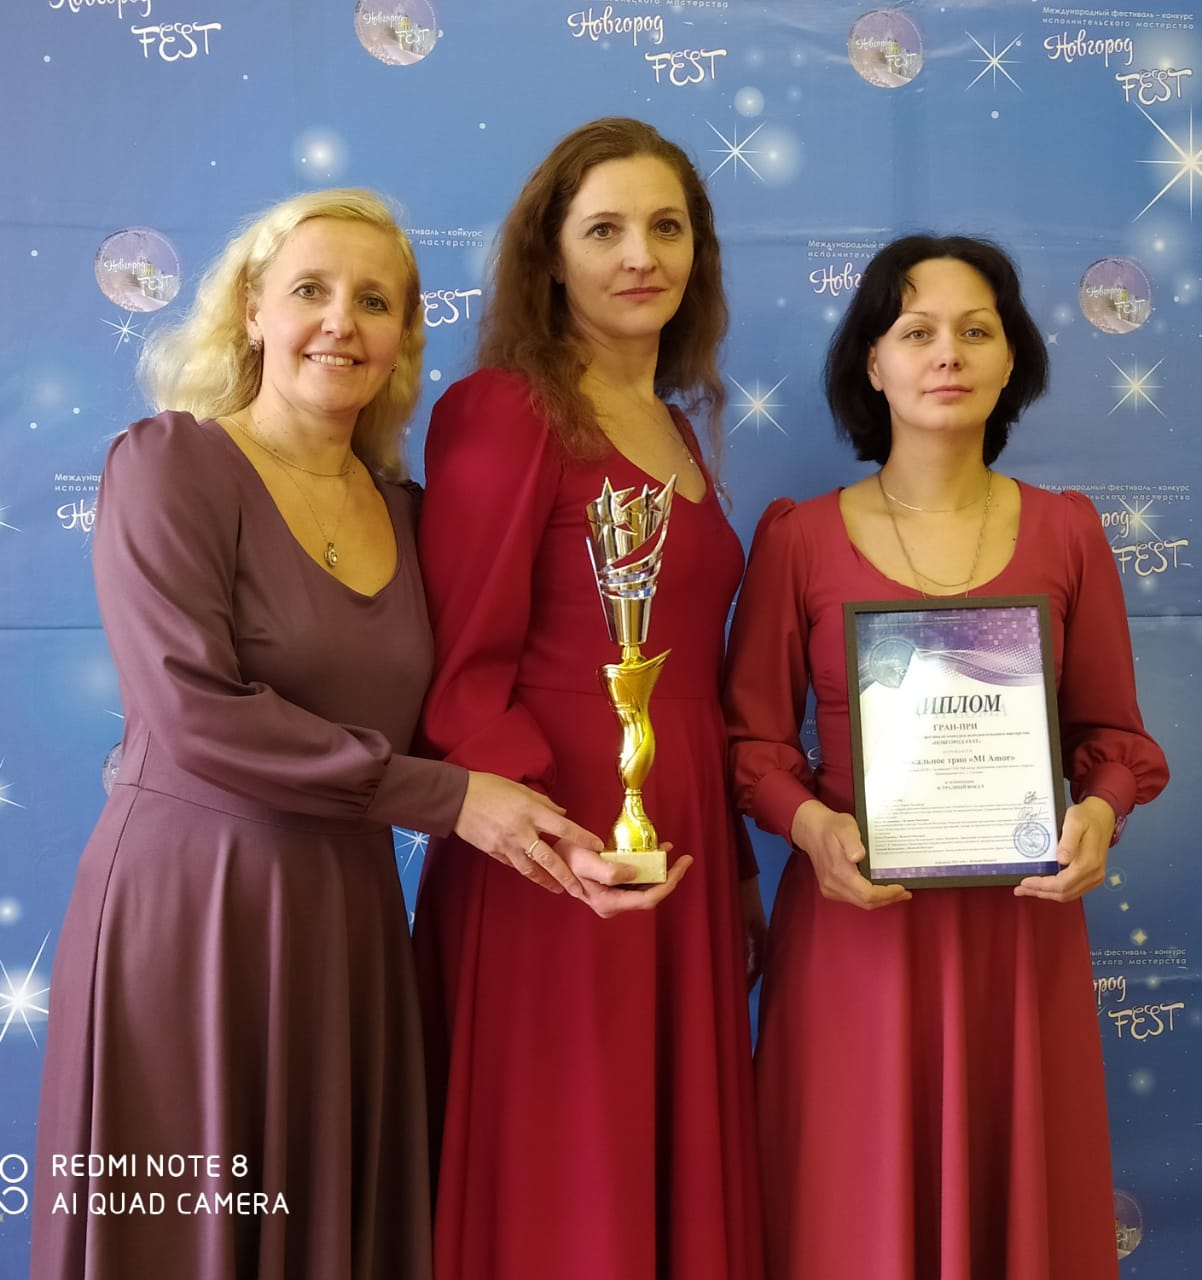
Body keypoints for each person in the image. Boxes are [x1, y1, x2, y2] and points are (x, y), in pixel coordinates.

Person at [30, 188, 600, 1280]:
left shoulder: (409, 512)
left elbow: (487, 684)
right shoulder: (169, 463)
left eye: (374, 301)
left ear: (404, 339)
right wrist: (450, 800)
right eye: (310, 290)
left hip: (346, 923)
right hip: (191, 916)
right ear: (253, 311)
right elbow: (194, 713)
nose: (341, 321)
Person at [723, 233, 1170, 1280]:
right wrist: (809, 824)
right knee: (849, 1218)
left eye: (976, 330)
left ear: (1011, 359)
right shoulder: (797, 538)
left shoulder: (1067, 533)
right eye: (915, 331)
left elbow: (1115, 742)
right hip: (853, 930)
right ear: (871, 363)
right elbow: (749, 743)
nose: (947, 353)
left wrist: (1098, 813)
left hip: (1019, 937)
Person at [413, 118, 765, 1280]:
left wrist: (736, 867)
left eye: (665, 226)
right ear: (549, 257)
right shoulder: (503, 408)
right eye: (603, 229)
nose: (639, 255)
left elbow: (693, 674)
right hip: (552, 850)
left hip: (680, 844)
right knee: (566, 1176)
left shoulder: (677, 424)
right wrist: (553, 841)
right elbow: (461, 672)